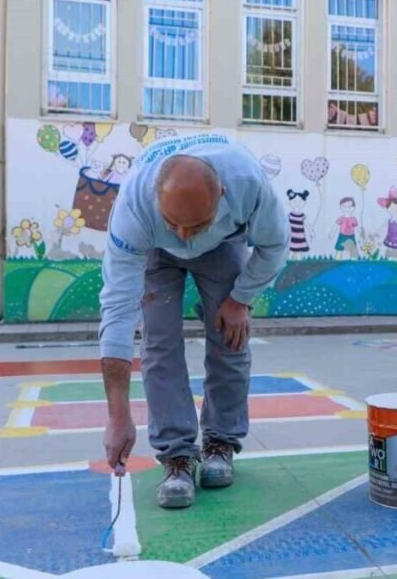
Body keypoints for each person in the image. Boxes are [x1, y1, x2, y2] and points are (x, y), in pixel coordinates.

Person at [98, 132, 289, 509]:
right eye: (176, 225)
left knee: (230, 335)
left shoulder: (248, 183)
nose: (185, 240)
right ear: (156, 199)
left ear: (221, 196)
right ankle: (177, 456)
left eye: (195, 226)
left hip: (222, 244)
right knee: (158, 342)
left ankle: (220, 441)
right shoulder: (134, 211)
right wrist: (117, 416)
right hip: (155, 249)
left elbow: (275, 245)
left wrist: (240, 299)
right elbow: (118, 313)